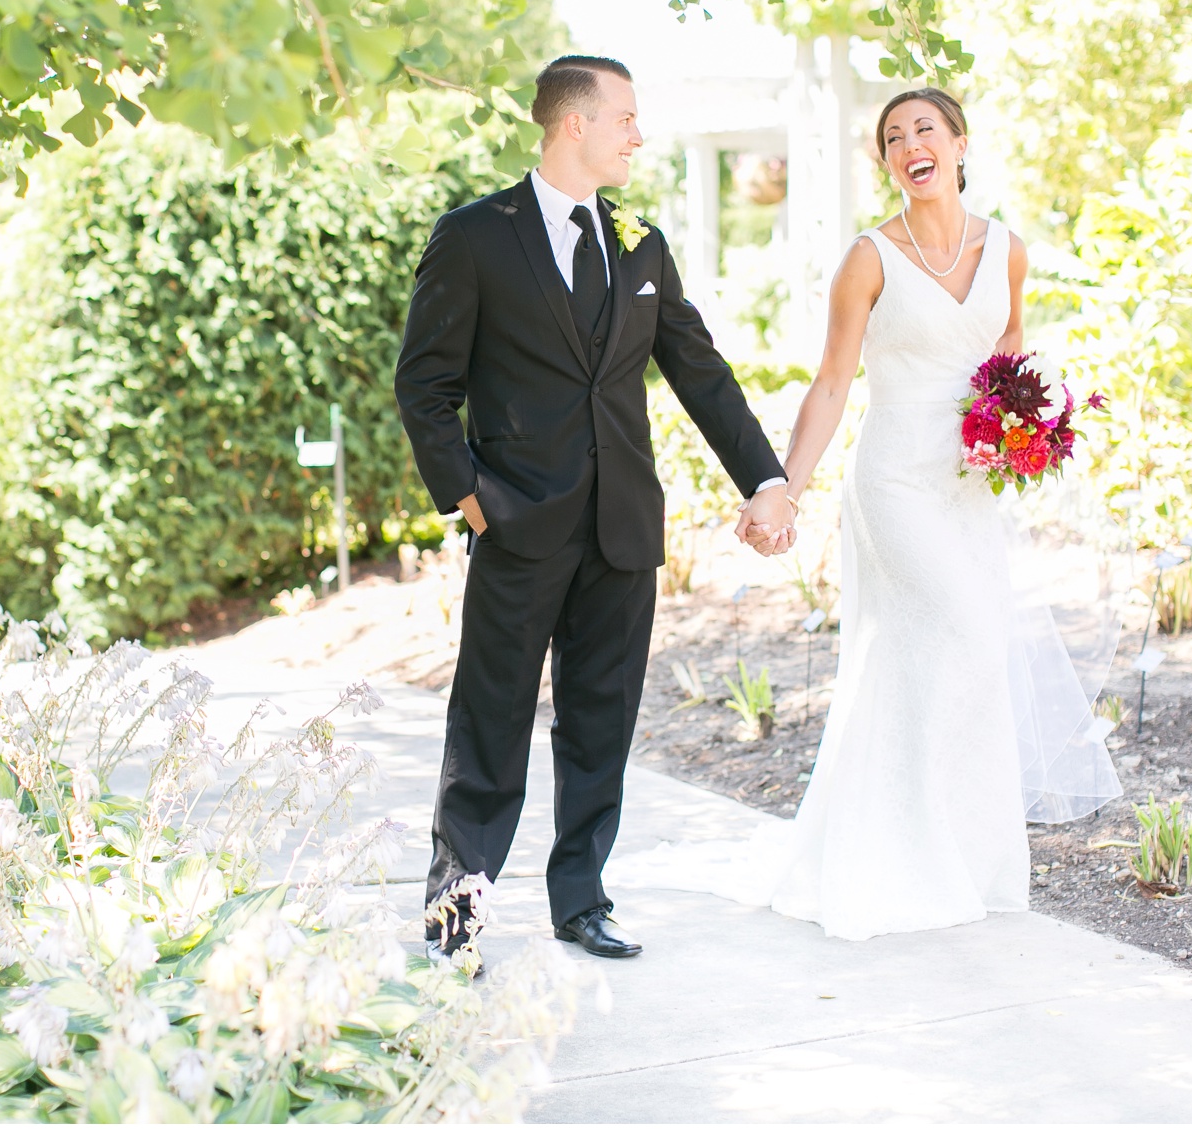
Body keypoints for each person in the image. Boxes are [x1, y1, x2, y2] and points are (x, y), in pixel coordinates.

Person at [394, 55, 794, 964]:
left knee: (601, 721)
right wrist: (470, 495)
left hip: (622, 525)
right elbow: (424, 384)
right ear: (573, 123)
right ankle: (455, 912)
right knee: (489, 722)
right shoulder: (475, 235)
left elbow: (697, 368)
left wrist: (762, 476)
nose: (637, 136)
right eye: (625, 119)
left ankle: (582, 897)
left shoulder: (640, 239)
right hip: (517, 523)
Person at [724, 86, 1121, 941]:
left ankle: (952, 853)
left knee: (943, 658)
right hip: (896, 479)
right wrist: (786, 485)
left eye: (926, 129)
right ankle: (905, 852)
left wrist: (1021, 429)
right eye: (895, 136)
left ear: (960, 144)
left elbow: (1009, 352)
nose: (912, 144)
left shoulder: (1008, 249)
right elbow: (832, 381)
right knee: (966, 629)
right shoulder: (868, 259)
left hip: (969, 484)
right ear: (888, 162)